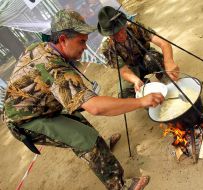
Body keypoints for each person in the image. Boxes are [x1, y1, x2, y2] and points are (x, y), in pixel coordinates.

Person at [3, 9, 164, 190]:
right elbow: (95, 107)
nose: (85, 47)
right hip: (27, 120)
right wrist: (142, 101)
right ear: (63, 39)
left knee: (80, 122)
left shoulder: (42, 48)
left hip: (42, 105)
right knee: (85, 139)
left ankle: (101, 151)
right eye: (81, 42)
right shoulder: (54, 69)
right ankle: (119, 186)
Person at [97, 6, 180, 98]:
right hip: (131, 69)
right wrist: (135, 80)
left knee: (152, 59)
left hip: (147, 58)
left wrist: (169, 61)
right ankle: (145, 86)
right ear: (108, 35)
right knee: (125, 95)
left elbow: (163, 43)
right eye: (115, 34)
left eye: (121, 30)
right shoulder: (107, 47)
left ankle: (164, 77)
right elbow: (124, 70)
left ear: (124, 24)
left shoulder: (134, 27)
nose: (120, 35)